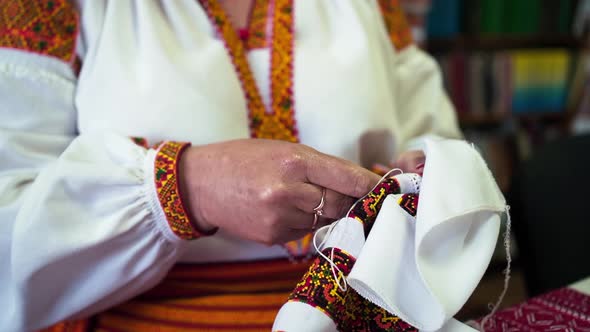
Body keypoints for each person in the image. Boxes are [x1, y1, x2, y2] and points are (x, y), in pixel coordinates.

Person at [0, 0, 461, 330]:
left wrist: (425, 179)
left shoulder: (373, 7)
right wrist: (187, 190)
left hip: (365, 317)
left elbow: (433, 135)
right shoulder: (50, 10)